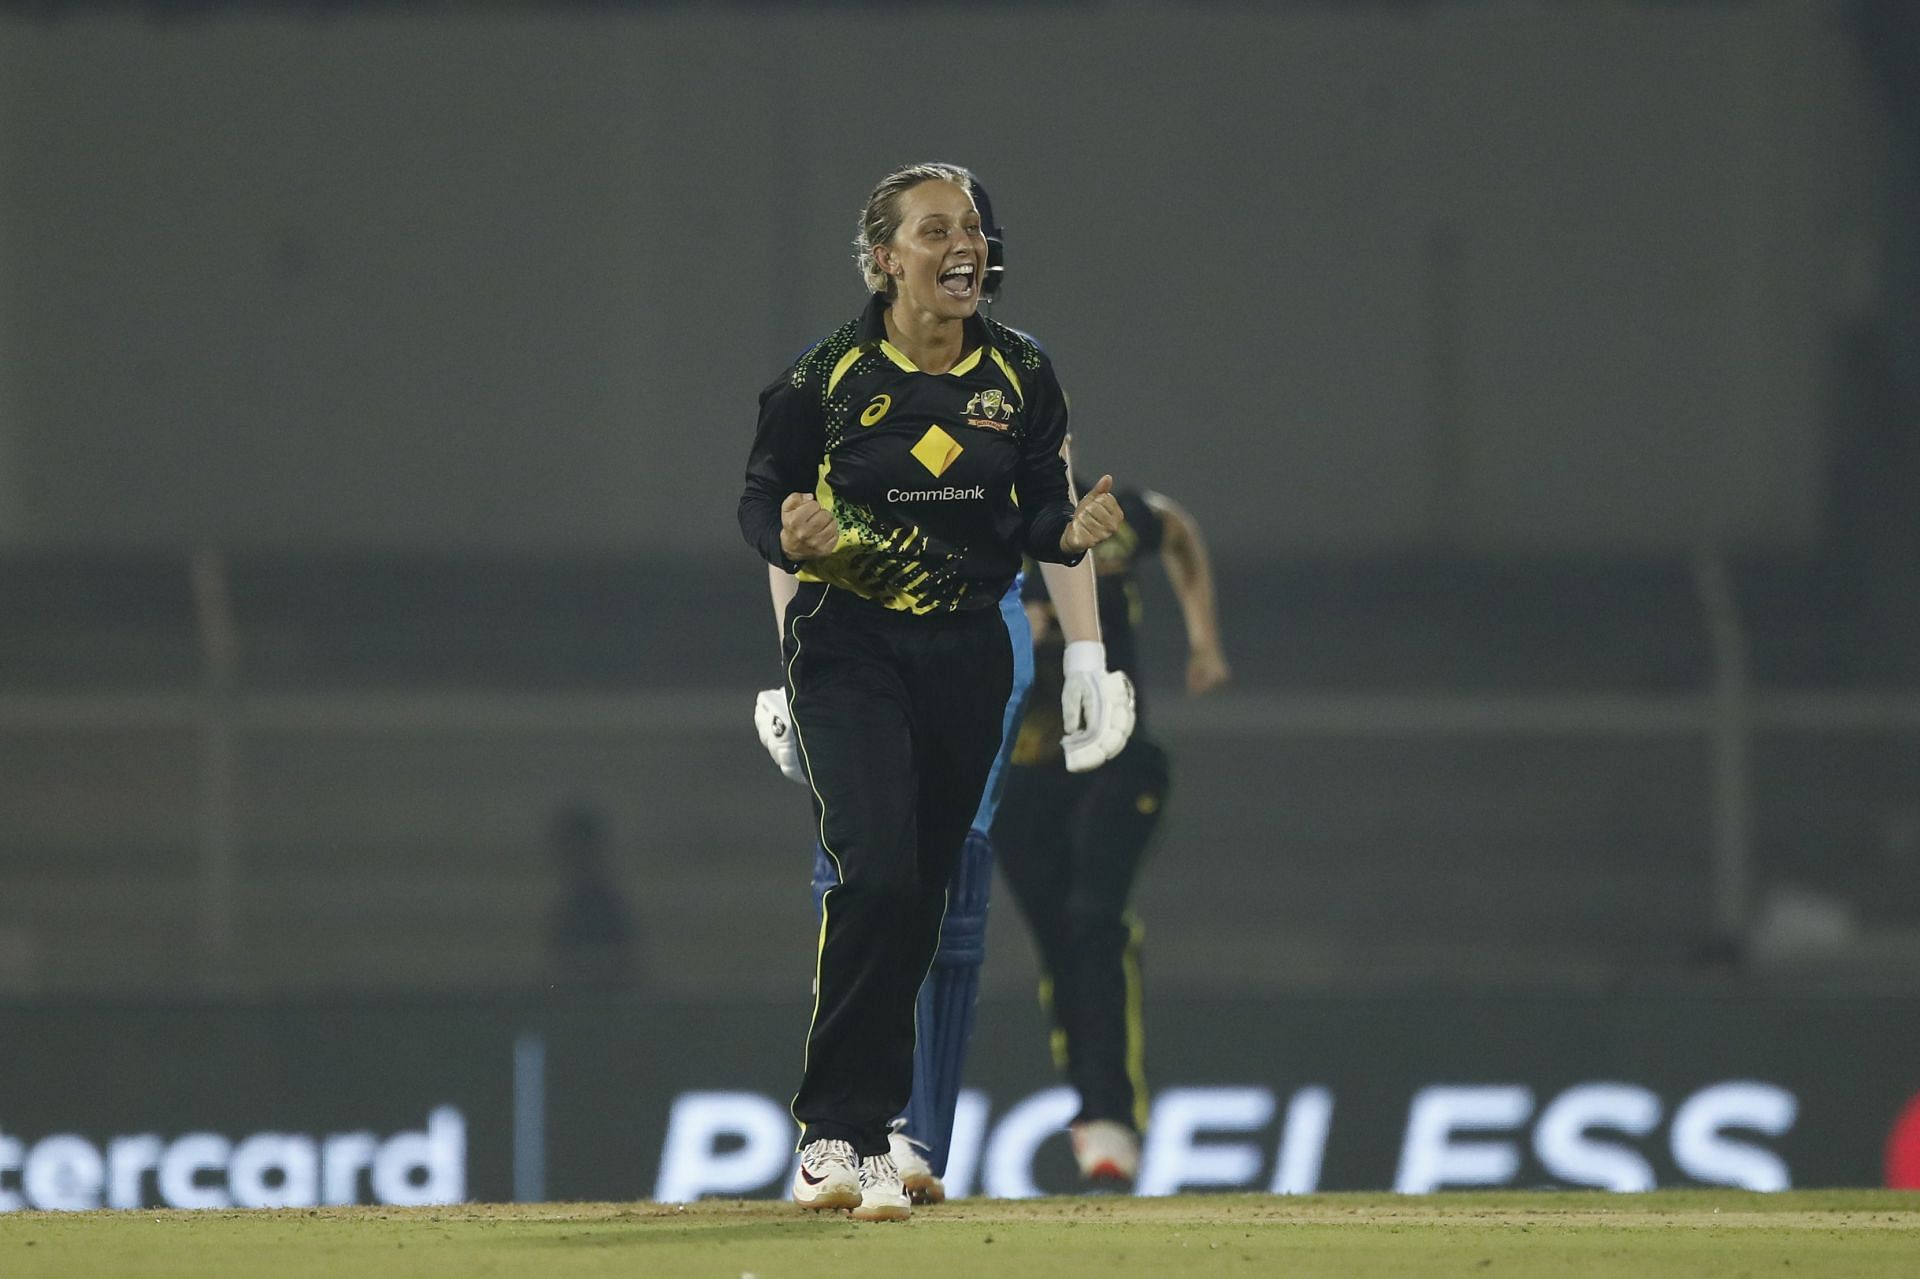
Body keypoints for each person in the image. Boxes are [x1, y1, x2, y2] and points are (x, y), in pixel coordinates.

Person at [738, 162, 1132, 1221]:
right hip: (849, 648)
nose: (963, 245)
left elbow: (1040, 511)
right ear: (883, 258)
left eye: (971, 229)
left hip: (970, 653)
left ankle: (881, 1133)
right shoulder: (823, 377)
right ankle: (833, 1132)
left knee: (920, 885)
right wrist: (787, 544)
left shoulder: (1022, 373)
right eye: (933, 230)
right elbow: (765, 502)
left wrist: (1073, 555)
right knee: (870, 869)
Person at [993, 467, 1230, 1185]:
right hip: (1024, 778)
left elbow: (1178, 528)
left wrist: (1203, 638)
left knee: (1095, 915)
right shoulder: (972, 537)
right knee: (1060, 939)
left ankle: (1111, 1116)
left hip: (1118, 761)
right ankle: (1093, 1106)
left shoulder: (1111, 515)